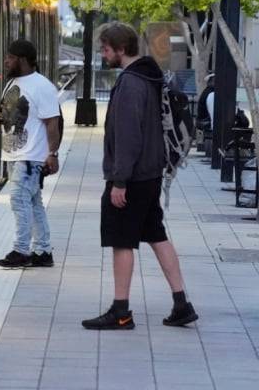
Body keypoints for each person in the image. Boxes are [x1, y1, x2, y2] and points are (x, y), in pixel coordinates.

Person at [83, 22, 198, 330]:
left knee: (122, 241)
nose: (103, 53)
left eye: (106, 48)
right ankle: (181, 304)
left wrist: (119, 181)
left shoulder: (131, 84)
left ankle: (120, 312)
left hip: (132, 177)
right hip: (149, 173)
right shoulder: (149, 76)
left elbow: (129, 136)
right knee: (157, 235)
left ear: (121, 49)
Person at [0, 40, 61, 269]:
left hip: (31, 156)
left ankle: (22, 250)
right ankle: (42, 251)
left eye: (10, 57)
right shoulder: (13, 82)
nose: (6, 61)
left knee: (19, 200)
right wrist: (2, 116)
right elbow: (16, 114)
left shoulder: (42, 86)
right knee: (33, 202)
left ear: (21, 60)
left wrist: (53, 154)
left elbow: (53, 122)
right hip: (14, 154)